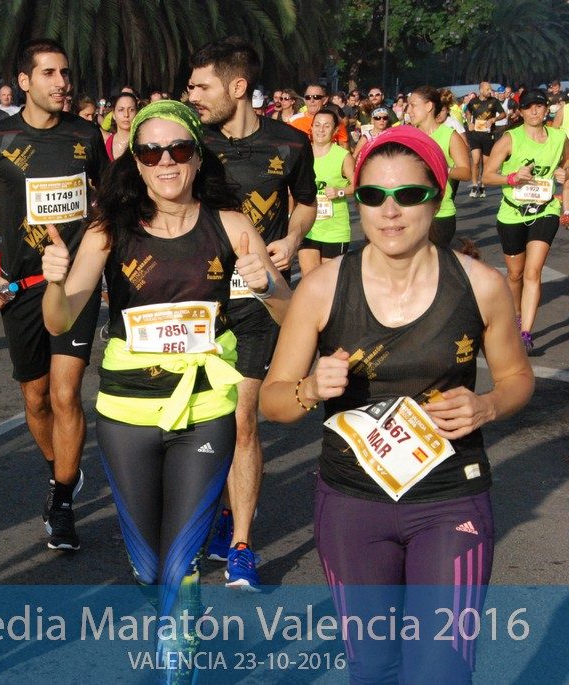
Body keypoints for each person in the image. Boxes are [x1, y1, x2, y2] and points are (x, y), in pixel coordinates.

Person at [260, 126, 534, 684]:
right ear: (357, 199)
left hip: (450, 498)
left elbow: (516, 378)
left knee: (443, 670)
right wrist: (310, 389)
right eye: (372, 195)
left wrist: (487, 407)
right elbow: (272, 401)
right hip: (351, 503)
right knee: (374, 667)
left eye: (408, 195)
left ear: (436, 196)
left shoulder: (480, 286)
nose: (390, 211)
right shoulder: (322, 288)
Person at [41, 100, 290, 681]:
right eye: (150, 152)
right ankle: (168, 613)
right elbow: (60, 319)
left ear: (198, 157)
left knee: (182, 557)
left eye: (179, 149)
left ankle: (178, 659)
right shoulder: (109, 229)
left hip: (206, 407)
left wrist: (270, 283)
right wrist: (56, 282)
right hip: (127, 410)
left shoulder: (229, 223)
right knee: (150, 565)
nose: (165, 163)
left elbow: (289, 314)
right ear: (137, 160)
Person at [0, 38, 106, 551]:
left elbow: (106, 202)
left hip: (75, 285)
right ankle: (60, 468)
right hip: (20, 287)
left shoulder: (87, 136)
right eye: (48, 73)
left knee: (67, 393)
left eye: (65, 72)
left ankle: (62, 501)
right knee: (36, 397)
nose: (61, 82)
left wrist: (96, 256)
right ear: (24, 81)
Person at [188, 36, 317, 589]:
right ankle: (214, 515)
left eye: (200, 86)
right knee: (206, 420)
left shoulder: (290, 143)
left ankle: (240, 543)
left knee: (242, 420)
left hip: (259, 300)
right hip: (199, 301)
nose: (190, 94)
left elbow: (306, 203)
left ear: (237, 88)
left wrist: (290, 238)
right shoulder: (190, 145)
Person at [482, 87, 569, 355]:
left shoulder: (559, 138)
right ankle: (516, 314)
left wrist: (562, 176)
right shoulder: (510, 139)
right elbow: (487, 176)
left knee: (533, 272)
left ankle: (526, 332)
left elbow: (566, 165)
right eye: (529, 106)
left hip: (545, 210)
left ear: (547, 110)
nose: (534, 111)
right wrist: (512, 178)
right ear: (520, 111)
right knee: (516, 274)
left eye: (539, 106)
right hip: (512, 212)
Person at [408, 86, 472, 247]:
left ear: (429, 106)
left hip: (440, 213)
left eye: (413, 105)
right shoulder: (408, 135)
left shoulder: (449, 135)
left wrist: (443, 168)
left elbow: (465, 173)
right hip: (410, 212)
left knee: (433, 268)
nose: (408, 110)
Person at [298, 108, 353, 275]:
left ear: (335, 130)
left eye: (327, 126)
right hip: (307, 227)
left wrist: (340, 192)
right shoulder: (301, 153)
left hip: (335, 230)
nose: (321, 130)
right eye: (317, 125)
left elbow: (358, 185)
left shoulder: (343, 156)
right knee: (310, 279)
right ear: (311, 128)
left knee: (330, 281)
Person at [465, 81, 504, 198]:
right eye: (487, 89)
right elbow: (467, 112)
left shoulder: (494, 101)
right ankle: (474, 185)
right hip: (475, 135)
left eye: (490, 89)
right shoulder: (473, 102)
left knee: (485, 163)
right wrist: (469, 123)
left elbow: (503, 114)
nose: (490, 91)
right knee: (475, 161)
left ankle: (482, 184)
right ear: (481, 90)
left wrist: (493, 120)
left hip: (488, 135)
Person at [104, 92, 138, 160]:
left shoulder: (142, 143)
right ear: (113, 114)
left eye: (131, 110)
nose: (126, 115)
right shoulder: (105, 144)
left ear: (137, 113)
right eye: (121, 110)